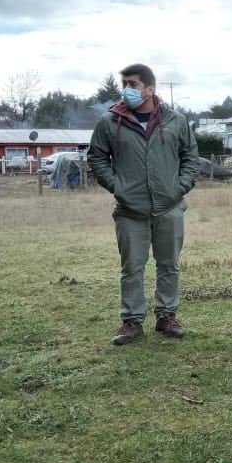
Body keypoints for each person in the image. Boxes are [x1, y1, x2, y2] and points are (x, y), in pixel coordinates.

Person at [87, 63, 200, 346]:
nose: (126, 89)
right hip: (129, 210)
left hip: (169, 206)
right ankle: (132, 321)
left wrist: (179, 187)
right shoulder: (108, 122)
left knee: (169, 265)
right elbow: (97, 158)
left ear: (150, 89)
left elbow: (190, 158)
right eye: (123, 83)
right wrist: (118, 187)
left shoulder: (176, 121)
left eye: (133, 84)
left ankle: (166, 316)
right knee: (132, 268)